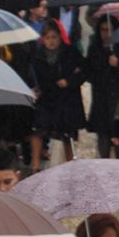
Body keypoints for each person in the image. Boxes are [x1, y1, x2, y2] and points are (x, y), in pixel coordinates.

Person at [28, 20, 86, 171]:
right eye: (48, 38)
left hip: (66, 99)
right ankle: (35, 167)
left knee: (67, 136)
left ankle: (70, 166)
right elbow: (33, 75)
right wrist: (34, 89)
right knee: (38, 130)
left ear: (60, 37)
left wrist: (69, 81)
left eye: (54, 37)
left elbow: (83, 71)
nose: (51, 41)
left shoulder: (70, 52)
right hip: (46, 98)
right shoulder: (38, 56)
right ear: (43, 39)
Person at [86, 16, 119, 159]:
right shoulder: (94, 48)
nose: (107, 33)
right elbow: (89, 72)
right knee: (102, 134)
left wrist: (118, 64)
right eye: (103, 30)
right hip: (101, 97)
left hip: (118, 97)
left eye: (110, 30)